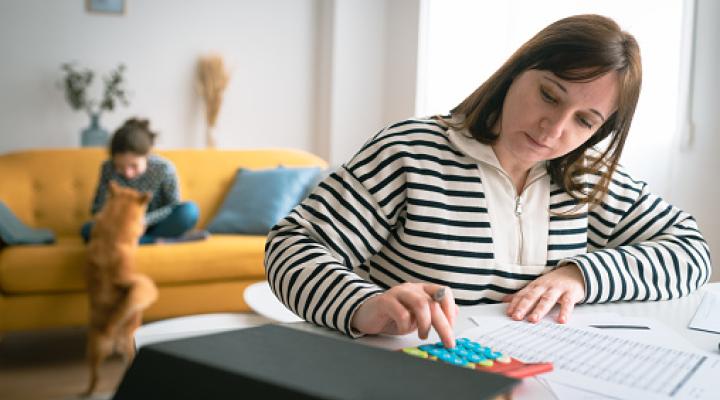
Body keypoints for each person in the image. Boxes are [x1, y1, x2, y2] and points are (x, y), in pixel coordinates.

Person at [264, 14, 711, 348]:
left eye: (585, 121)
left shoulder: (587, 179)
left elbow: (691, 252)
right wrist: (364, 305)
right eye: (549, 95)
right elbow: (291, 248)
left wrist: (582, 275)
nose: (553, 130)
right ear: (515, 72)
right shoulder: (412, 151)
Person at [81, 118, 205, 244]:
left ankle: (138, 240)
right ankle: (159, 241)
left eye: (134, 166)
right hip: (121, 228)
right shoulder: (108, 168)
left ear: (147, 155)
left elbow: (173, 206)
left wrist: (144, 220)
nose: (128, 173)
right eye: (120, 167)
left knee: (189, 211)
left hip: (157, 226)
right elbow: (97, 209)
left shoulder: (164, 169)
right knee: (87, 230)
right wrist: (122, 221)